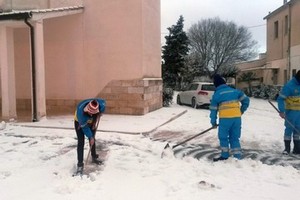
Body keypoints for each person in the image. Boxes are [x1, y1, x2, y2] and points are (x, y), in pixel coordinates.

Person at [209, 74, 250, 161]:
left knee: (223, 137)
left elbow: (213, 110)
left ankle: (224, 155)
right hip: (237, 119)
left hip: (225, 119)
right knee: (235, 137)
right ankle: (237, 156)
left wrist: (213, 122)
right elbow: (246, 100)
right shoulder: (235, 91)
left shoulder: (217, 94)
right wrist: (241, 111)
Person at [74, 98, 106, 171]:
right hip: (79, 122)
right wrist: (90, 137)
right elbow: (85, 128)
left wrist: (100, 114)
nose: (91, 114)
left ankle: (94, 157)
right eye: (90, 113)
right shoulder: (81, 114)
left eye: (93, 113)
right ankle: (80, 164)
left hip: (92, 120)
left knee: (93, 139)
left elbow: (103, 104)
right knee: (81, 141)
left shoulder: (100, 104)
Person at [277, 70, 300, 155]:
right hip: (291, 112)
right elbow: (280, 99)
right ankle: (287, 148)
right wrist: (282, 111)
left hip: (299, 113)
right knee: (289, 130)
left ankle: (297, 149)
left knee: (298, 130)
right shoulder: (289, 86)